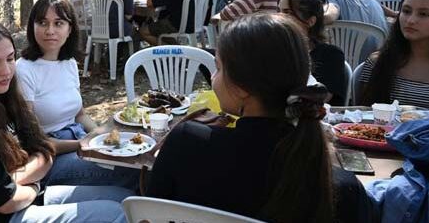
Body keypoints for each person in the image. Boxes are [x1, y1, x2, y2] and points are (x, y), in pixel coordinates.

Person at [147, 13, 375, 222]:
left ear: (243, 88)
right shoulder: (340, 188)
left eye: (218, 68)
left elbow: (150, 212)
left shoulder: (188, 143)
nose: (214, 78)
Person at [0, 19, 131, 223]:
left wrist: (18, 183)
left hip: (24, 197)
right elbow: (5, 201)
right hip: (5, 216)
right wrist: (32, 185)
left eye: (10, 58)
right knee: (117, 213)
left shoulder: (1, 95)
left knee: (124, 201)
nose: (6, 71)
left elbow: (44, 150)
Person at [16, 0, 138, 189]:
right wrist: (86, 142)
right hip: (48, 157)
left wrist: (101, 132)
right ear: (32, 26)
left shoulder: (70, 63)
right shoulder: (24, 69)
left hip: (78, 139)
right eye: (42, 23)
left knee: (137, 157)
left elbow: (80, 115)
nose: (50, 31)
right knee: (129, 171)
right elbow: (34, 140)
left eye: (58, 23)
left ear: (70, 28)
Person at [357, 0, 429, 108]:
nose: (411, 20)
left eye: (423, 14)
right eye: (406, 11)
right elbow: (364, 115)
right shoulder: (378, 62)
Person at [278, 0, 348, 105]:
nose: (279, 17)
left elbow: (321, 98)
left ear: (310, 21)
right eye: (278, 11)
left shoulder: (330, 55)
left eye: (287, 13)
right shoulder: (274, 51)